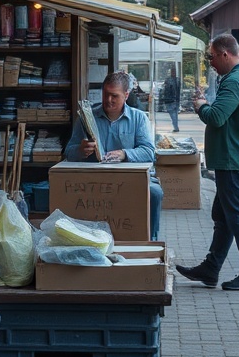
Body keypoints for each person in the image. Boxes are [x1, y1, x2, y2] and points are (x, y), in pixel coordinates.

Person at [175, 34, 239, 291]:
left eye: (211, 56)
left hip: (231, 158)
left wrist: (201, 106)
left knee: (236, 214)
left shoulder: (234, 81)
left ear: (225, 54)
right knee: (224, 216)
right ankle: (211, 268)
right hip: (236, 157)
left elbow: (216, 117)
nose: (210, 62)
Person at [64, 71, 164, 239]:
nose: (108, 100)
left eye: (114, 96)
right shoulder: (87, 118)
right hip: (94, 179)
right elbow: (68, 152)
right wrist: (81, 150)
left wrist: (124, 154)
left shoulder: (138, 118)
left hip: (131, 178)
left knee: (154, 193)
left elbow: (149, 152)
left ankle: (150, 240)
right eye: (105, 94)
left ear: (126, 95)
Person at [161, 67, 182, 132]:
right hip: (172, 100)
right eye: (172, 72)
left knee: (173, 114)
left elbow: (167, 90)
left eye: (174, 72)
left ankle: (176, 127)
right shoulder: (174, 80)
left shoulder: (172, 80)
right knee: (173, 114)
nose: (173, 73)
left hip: (172, 100)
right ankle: (175, 126)